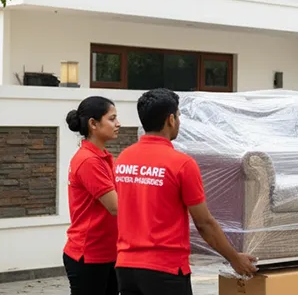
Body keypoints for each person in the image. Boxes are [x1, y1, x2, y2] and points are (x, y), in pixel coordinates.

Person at [114, 88, 257, 295]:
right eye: (179, 115)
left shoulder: (124, 158)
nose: (179, 121)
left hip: (127, 267)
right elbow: (204, 223)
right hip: (165, 271)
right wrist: (235, 258)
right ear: (170, 119)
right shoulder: (181, 164)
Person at [63, 96, 121, 295]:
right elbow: (116, 207)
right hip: (90, 255)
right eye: (112, 119)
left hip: (106, 253)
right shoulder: (89, 161)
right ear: (93, 124)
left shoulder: (101, 157)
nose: (118, 124)